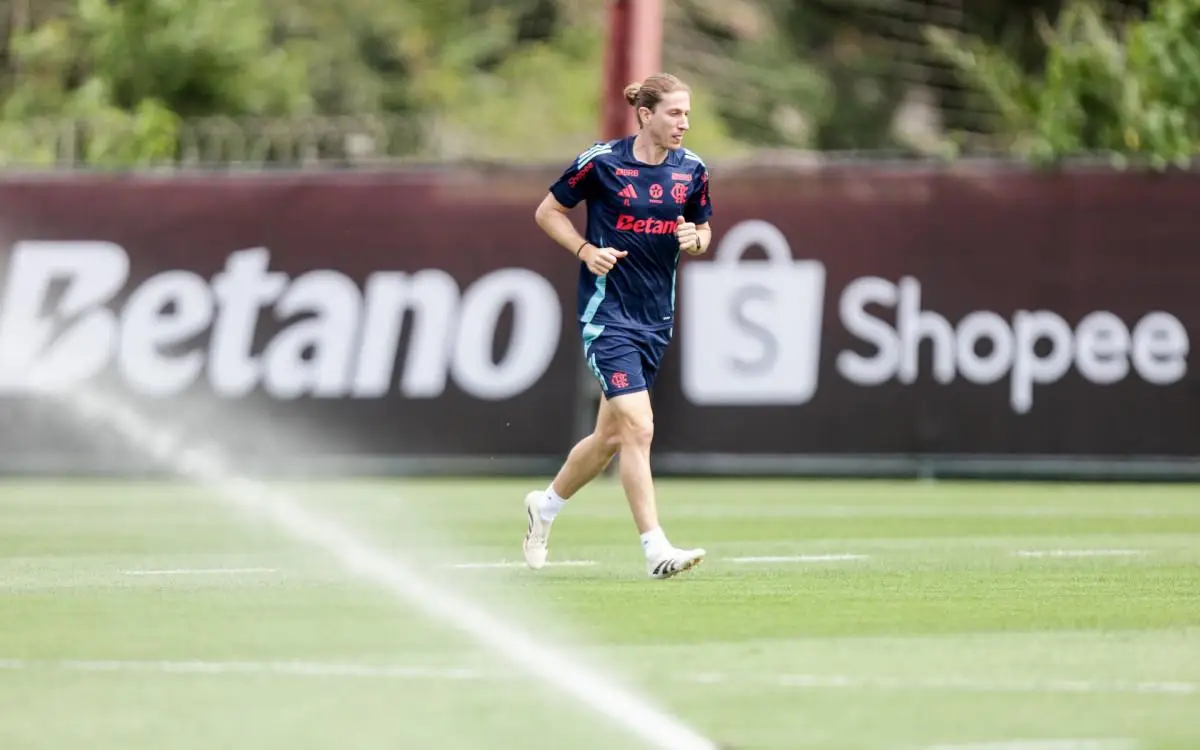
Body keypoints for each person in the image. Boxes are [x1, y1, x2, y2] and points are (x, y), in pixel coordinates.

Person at [525, 72, 713, 580]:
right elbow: (548, 212)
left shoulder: (692, 170)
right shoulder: (602, 162)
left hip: (656, 320)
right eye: (675, 113)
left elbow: (702, 227)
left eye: (687, 113)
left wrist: (696, 240)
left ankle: (543, 508)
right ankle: (656, 550)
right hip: (608, 318)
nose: (684, 123)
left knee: (608, 440)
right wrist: (586, 251)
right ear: (646, 114)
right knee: (640, 427)